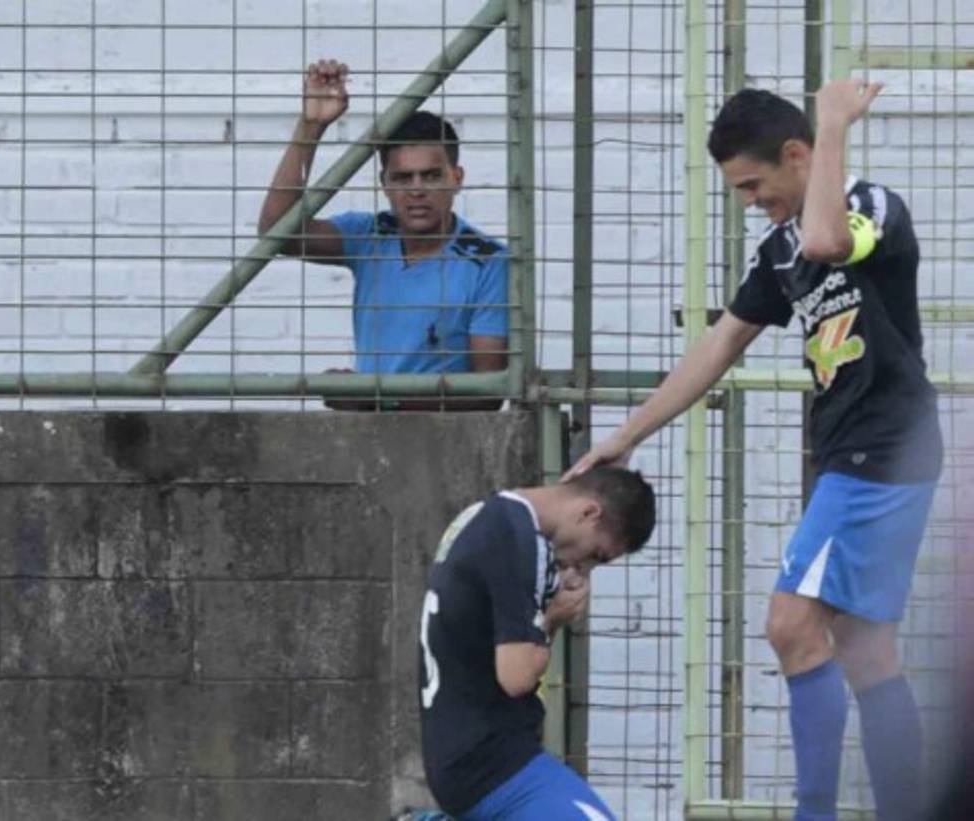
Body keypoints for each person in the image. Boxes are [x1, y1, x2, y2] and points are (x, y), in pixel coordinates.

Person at [567, 80, 943, 821]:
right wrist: (627, 434)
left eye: (753, 183)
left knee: (789, 623)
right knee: (866, 650)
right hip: (852, 451)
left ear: (799, 155)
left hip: (882, 448)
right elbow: (721, 343)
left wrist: (832, 124)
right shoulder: (778, 254)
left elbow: (830, 241)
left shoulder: (870, 208)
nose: (747, 200)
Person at [258, 59, 508, 410]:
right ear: (385, 184)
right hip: (367, 440)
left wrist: (375, 398)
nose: (417, 190)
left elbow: (488, 393)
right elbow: (277, 233)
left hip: (448, 448)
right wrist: (311, 127)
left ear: (457, 177)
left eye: (431, 176)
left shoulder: (488, 262)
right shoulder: (370, 235)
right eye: (403, 178)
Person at [418, 467, 656, 820]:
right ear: (589, 513)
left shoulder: (491, 516)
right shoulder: (517, 538)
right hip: (491, 765)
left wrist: (551, 620)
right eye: (596, 555)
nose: (583, 568)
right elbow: (517, 676)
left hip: (470, 753)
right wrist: (555, 619)